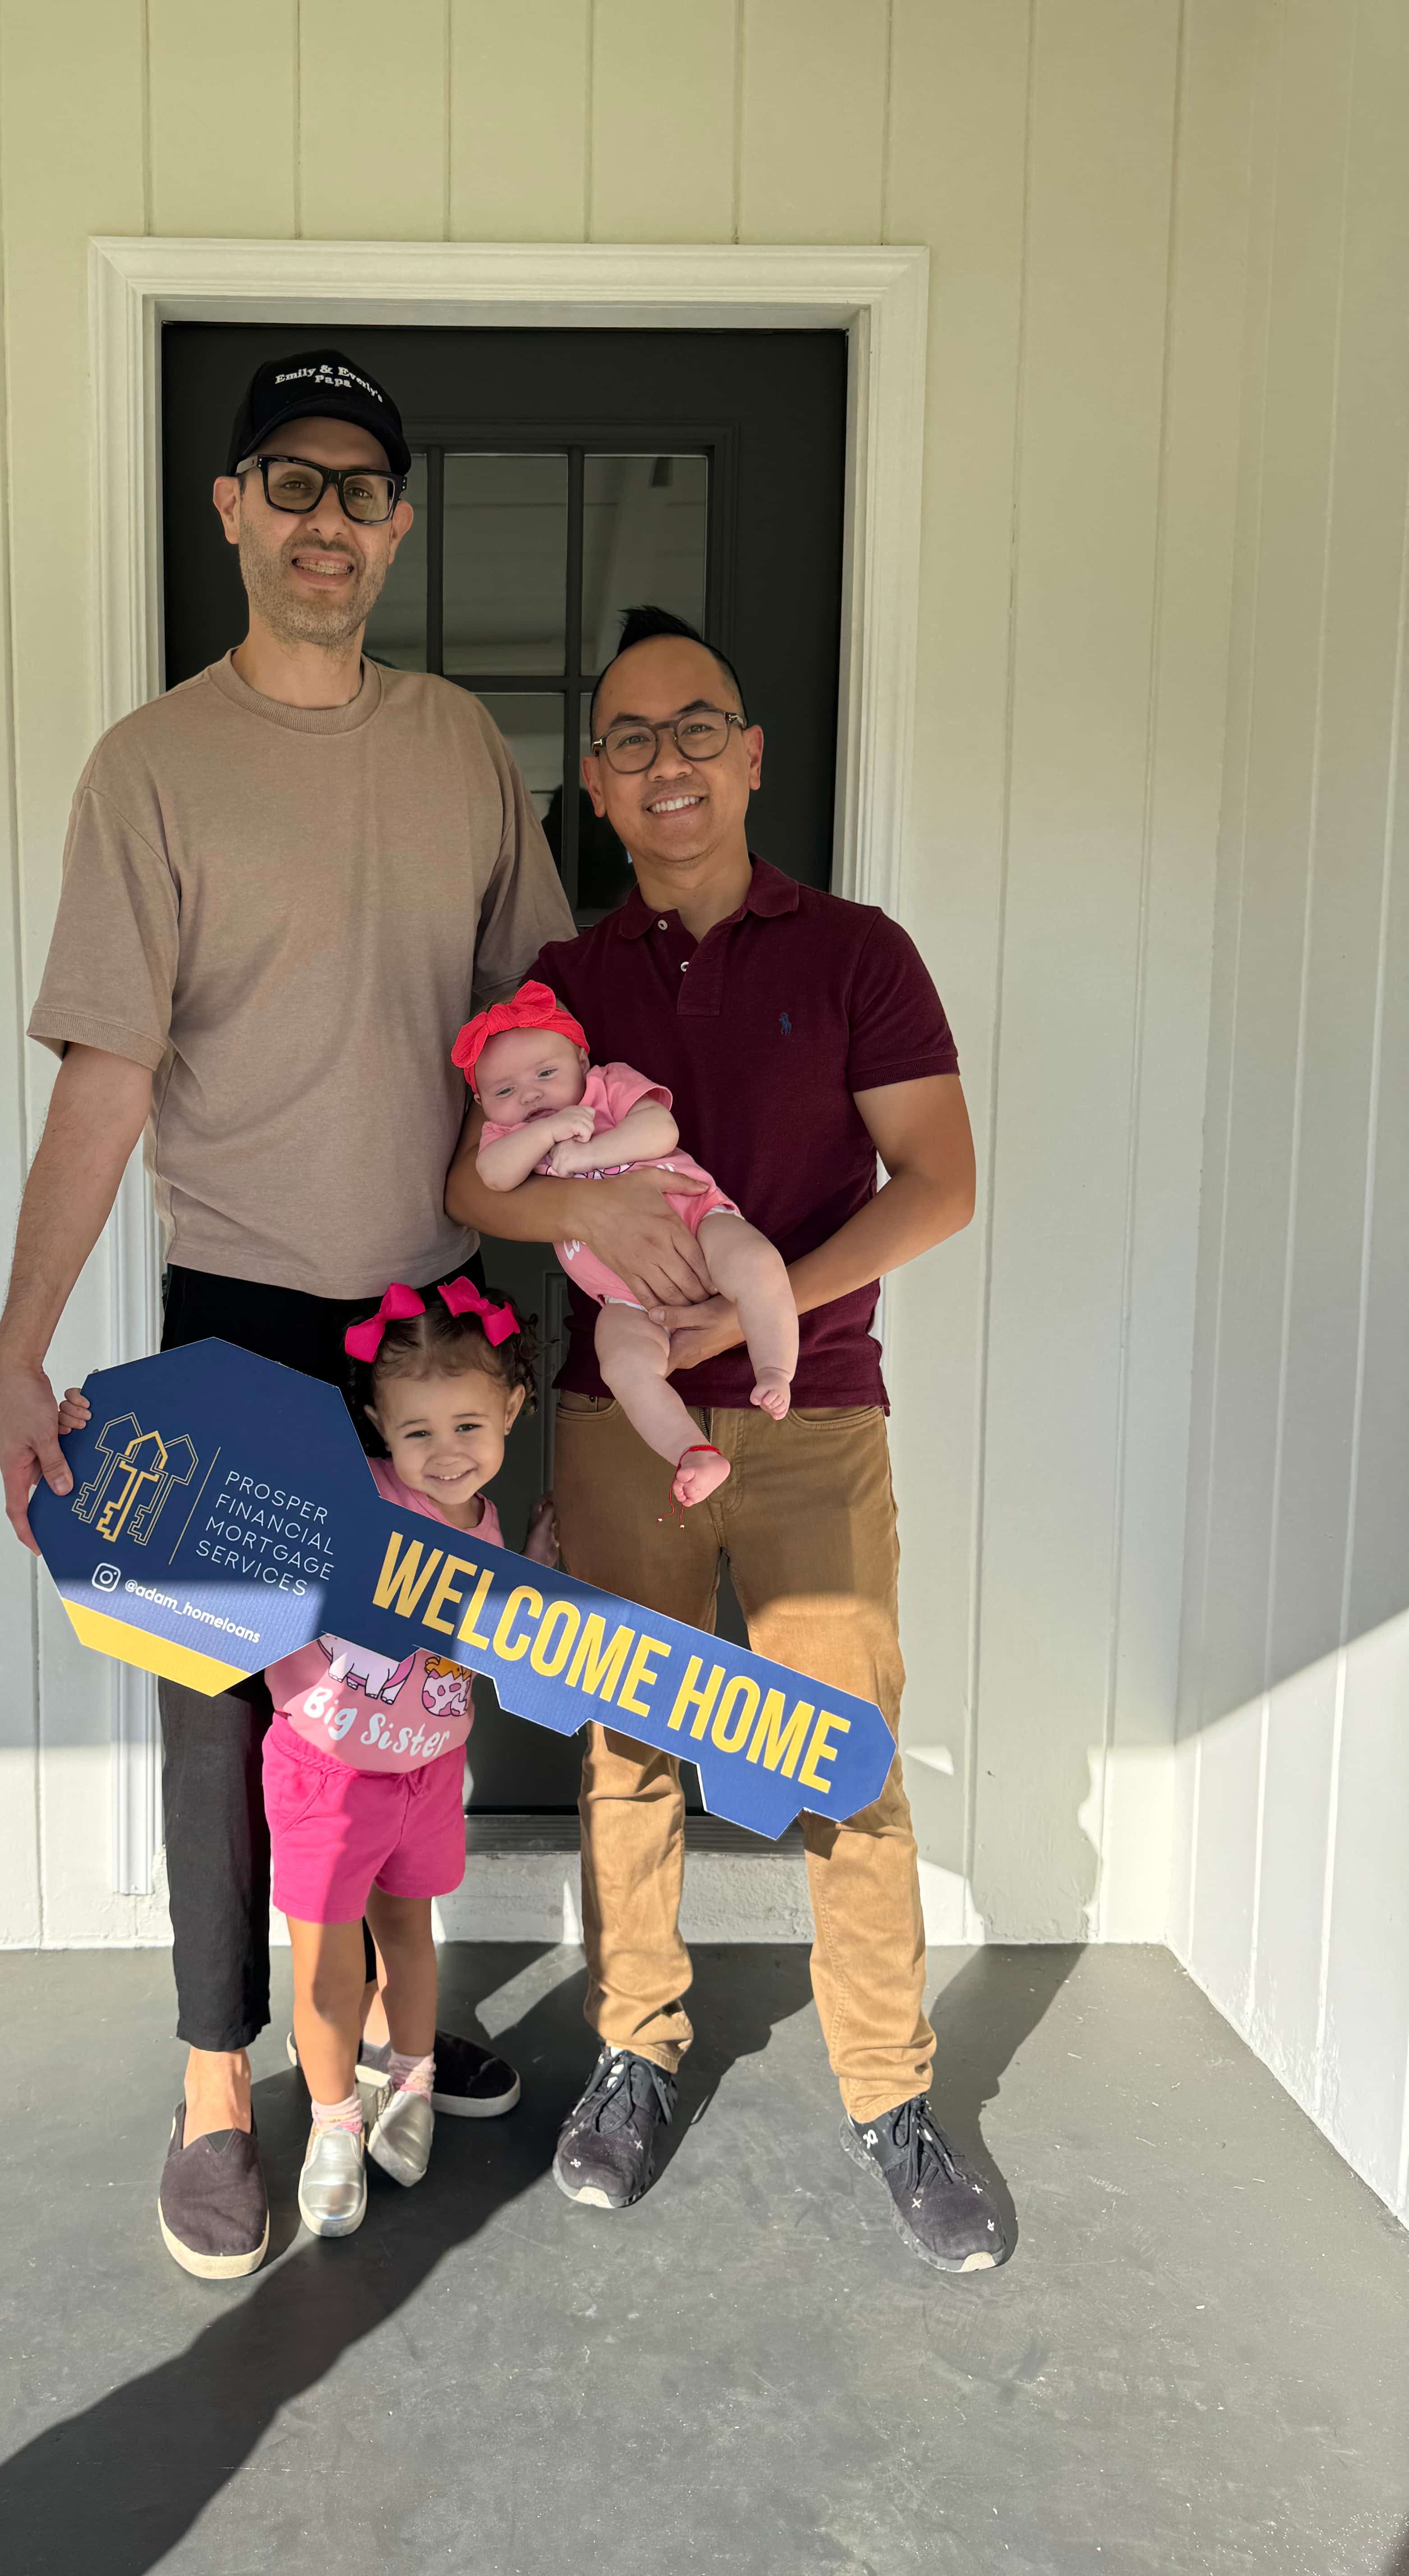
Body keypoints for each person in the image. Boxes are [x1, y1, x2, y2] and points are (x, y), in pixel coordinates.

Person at [0, 347, 576, 2280]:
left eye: (360, 490)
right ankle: (216, 2095)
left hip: (439, 1332)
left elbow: (541, 1027)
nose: (326, 518)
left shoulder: (464, 752)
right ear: (230, 509)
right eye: (290, 482)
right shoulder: (150, 768)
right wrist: (19, 1343)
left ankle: (402, 2030)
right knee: (223, 1712)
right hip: (239, 1326)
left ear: (396, 528)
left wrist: (598, 1259)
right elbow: (105, 1074)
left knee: (416, 1703)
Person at [446, 605, 1009, 2273]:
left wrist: (739, 1321)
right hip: (613, 1429)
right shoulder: (563, 989)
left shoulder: (857, 954)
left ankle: (890, 2093)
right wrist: (600, 1200)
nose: (666, 759)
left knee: (842, 1756)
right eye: (628, 739)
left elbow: (944, 1183)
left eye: (698, 726)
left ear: (752, 757)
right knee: (628, 1749)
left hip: (810, 1409)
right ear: (598, 794)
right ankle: (637, 2047)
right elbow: (467, 1184)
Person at [69, 1280, 559, 2245]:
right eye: (418, 1433)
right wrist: (103, 1433)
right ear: (377, 1426)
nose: (447, 1453)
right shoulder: (354, 1492)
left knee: (413, 1948)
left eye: (469, 1424)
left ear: (511, 1411)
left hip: (426, 1776)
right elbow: (214, 1486)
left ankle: (406, 2082)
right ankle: (333, 2122)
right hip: (329, 1776)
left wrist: (534, 1568)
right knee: (330, 1970)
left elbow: (498, 1632)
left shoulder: (490, 1525)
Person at [452, 980, 799, 1505]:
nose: (530, 1095)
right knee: (622, 1365)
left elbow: (660, 1130)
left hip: (697, 1218)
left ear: (581, 1058)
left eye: (547, 1074)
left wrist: (589, 1155)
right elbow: (494, 1178)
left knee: (755, 1262)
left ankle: (774, 1365)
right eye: (504, 1091)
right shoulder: (508, 1138)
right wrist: (546, 1134)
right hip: (621, 1297)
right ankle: (692, 1452)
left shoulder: (606, 1087)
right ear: (481, 1101)